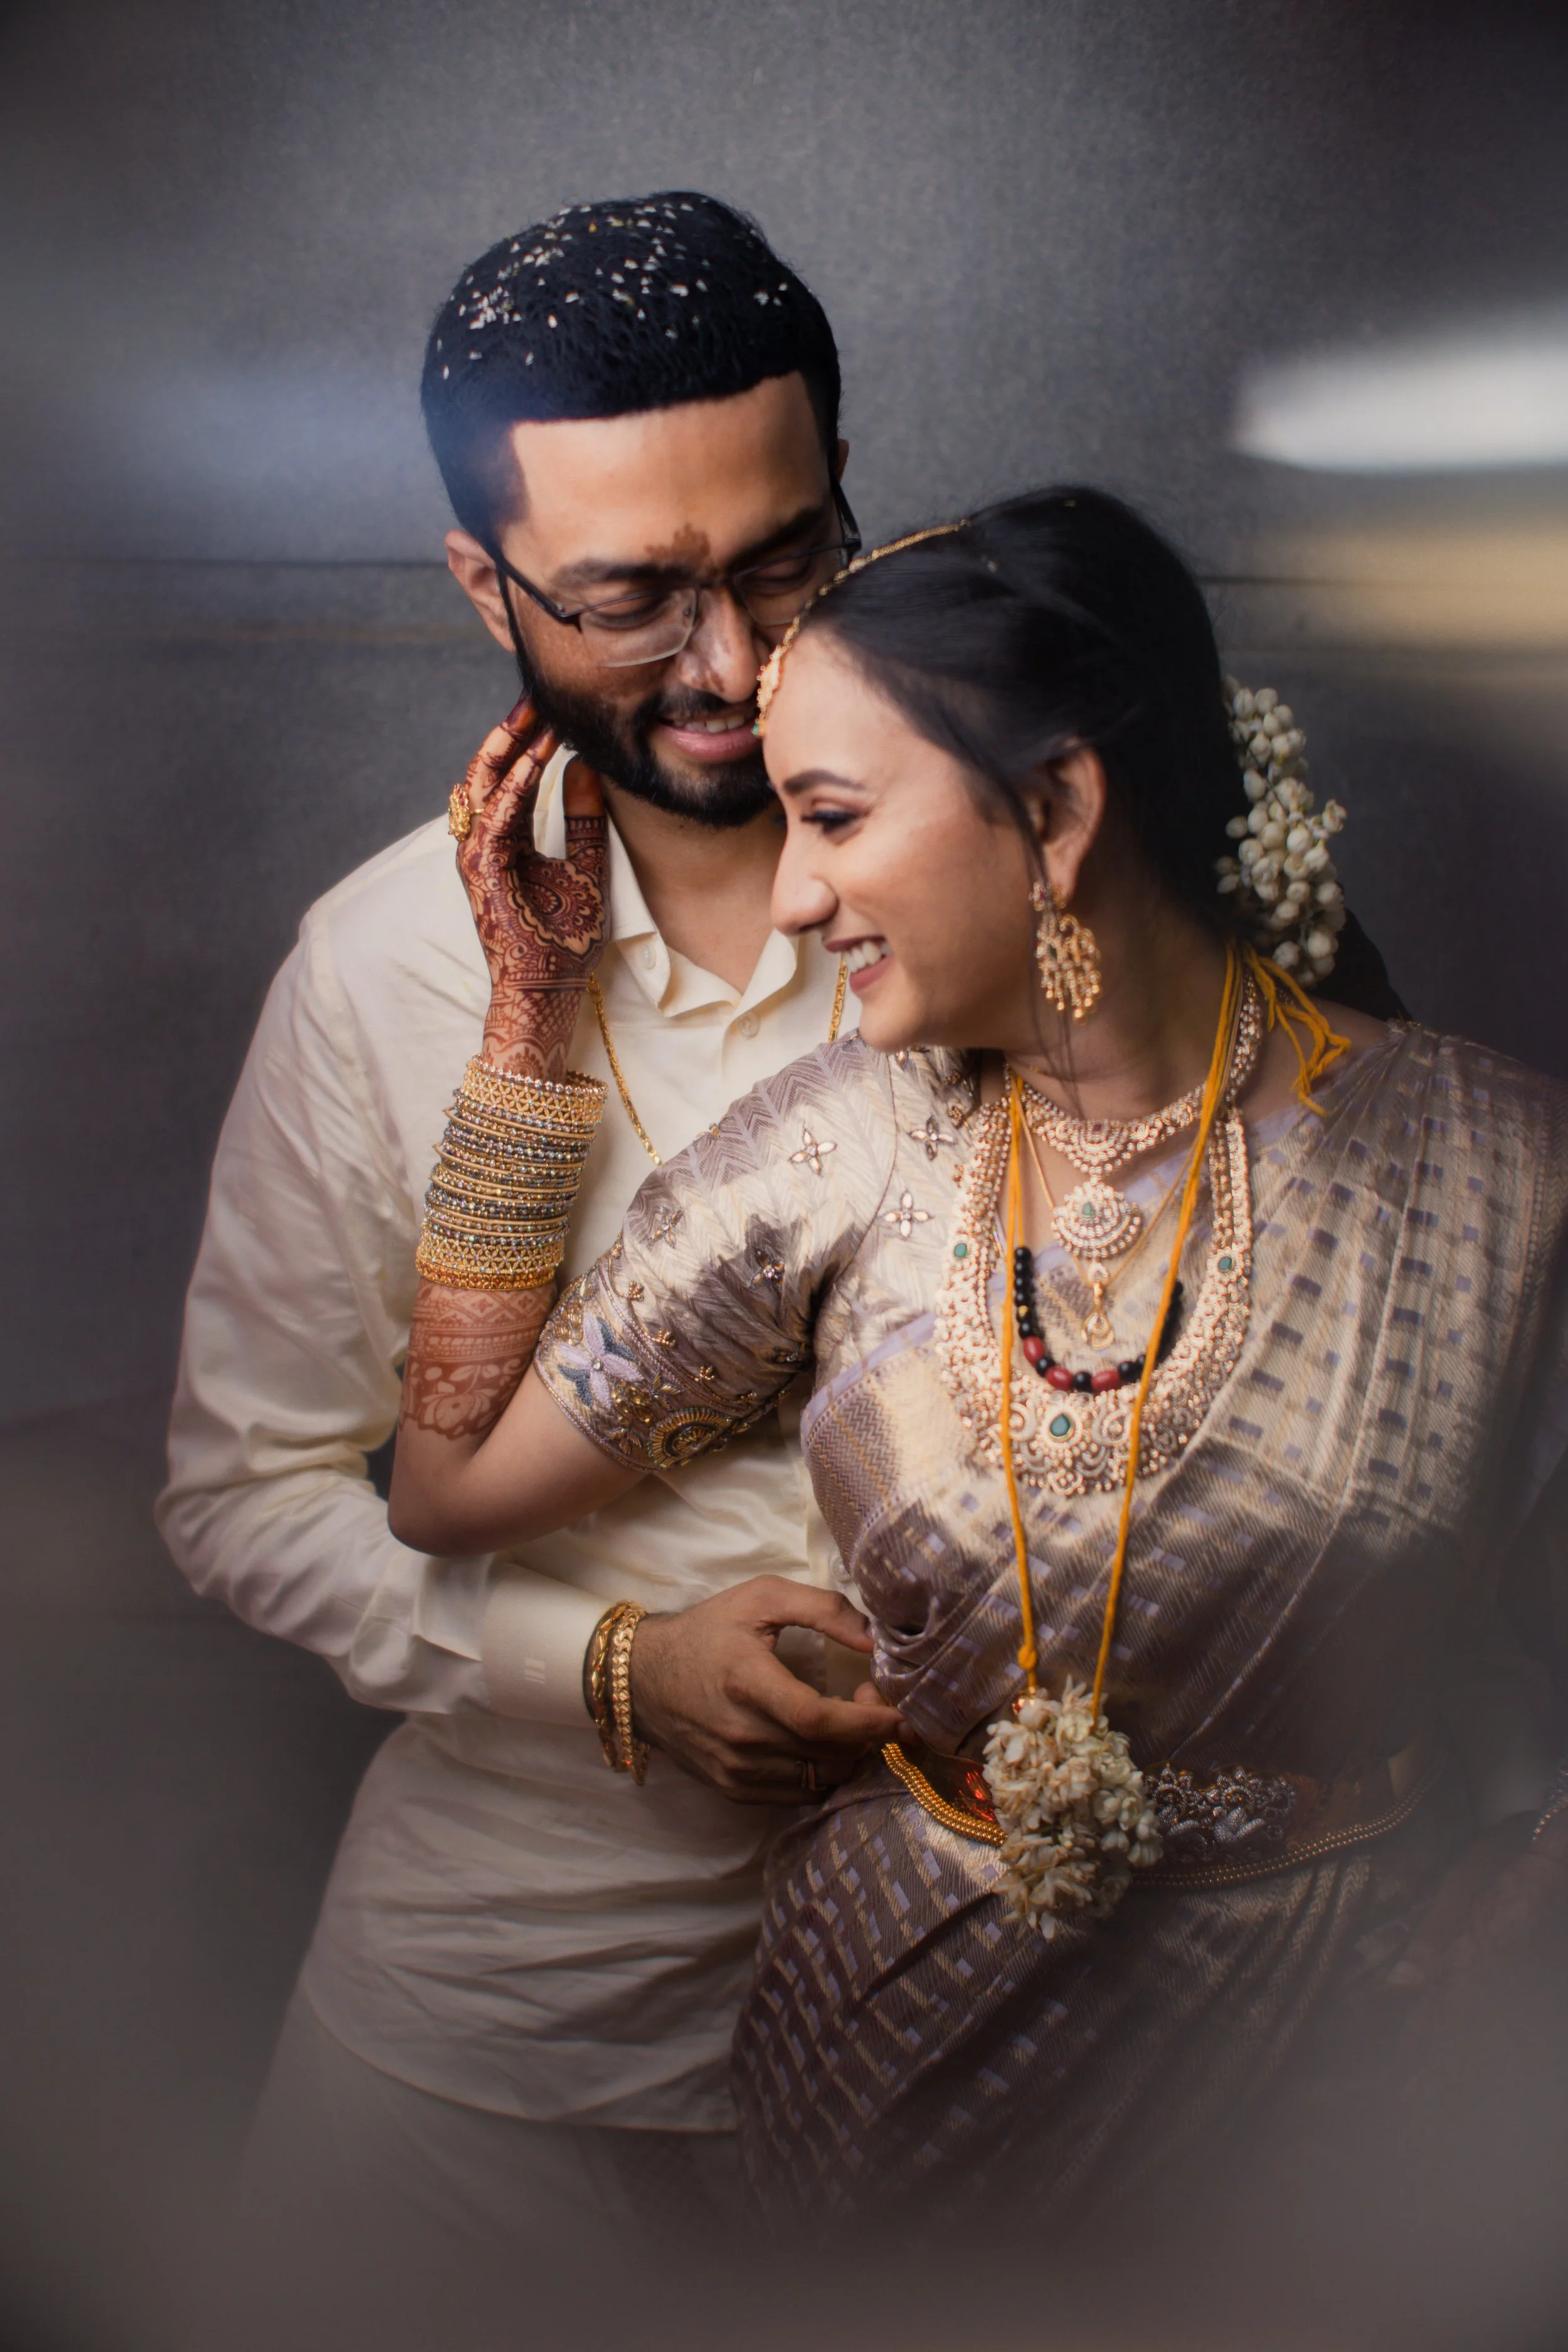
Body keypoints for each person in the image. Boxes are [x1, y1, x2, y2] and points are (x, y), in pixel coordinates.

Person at [389, 486, 1567, 2229]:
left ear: (1053, 808)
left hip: (1342, 2083)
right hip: (895, 2046)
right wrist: (523, 1026)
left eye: (834, 819)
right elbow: (445, 1483)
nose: (792, 897)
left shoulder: (1489, 1167)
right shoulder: (838, 1151)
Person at [157, 191, 909, 2297]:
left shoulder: (1038, 895)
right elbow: (240, 1494)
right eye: (629, 596)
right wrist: (607, 1670)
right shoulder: (382, 966)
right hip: (489, 2070)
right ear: (482, 583)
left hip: (993, 2030)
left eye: (783, 560)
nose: (735, 663)